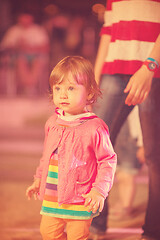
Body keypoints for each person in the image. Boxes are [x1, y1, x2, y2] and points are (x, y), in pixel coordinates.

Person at [26, 56, 117, 240]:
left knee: (78, 236)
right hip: (52, 197)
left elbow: (107, 160)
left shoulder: (95, 127)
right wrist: (38, 179)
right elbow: (47, 156)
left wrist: (99, 190)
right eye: (58, 88)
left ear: (90, 93)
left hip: (80, 198)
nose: (63, 94)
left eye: (71, 88)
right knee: (48, 233)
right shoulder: (52, 122)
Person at [91, 0, 160, 240]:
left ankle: (153, 232)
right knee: (95, 145)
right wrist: (95, 79)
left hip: (153, 71)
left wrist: (150, 67)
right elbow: (108, 32)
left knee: (155, 156)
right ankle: (94, 225)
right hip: (113, 71)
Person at [0, 12, 50, 95]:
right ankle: (29, 86)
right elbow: (5, 46)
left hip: (36, 56)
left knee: (38, 61)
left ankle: (29, 85)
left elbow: (46, 47)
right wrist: (18, 46)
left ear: (31, 19)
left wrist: (31, 48)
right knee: (21, 60)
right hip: (18, 56)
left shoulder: (38, 30)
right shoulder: (13, 30)